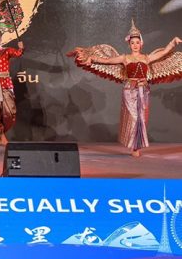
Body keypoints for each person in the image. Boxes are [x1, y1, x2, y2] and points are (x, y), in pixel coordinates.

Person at [68, 20, 182, 157]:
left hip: (143, 90)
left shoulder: (147, 58)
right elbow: (107, 61)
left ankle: (136, 146)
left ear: (141, 43)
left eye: (137, 42)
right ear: (129, 44)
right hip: (130, 91)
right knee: (133, 117)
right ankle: (133, 146)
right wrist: (92, 58)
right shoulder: (125, 58)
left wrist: (173, 42)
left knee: (141, 119)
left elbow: (163, 53)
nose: (135, 45)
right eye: (132, 43)